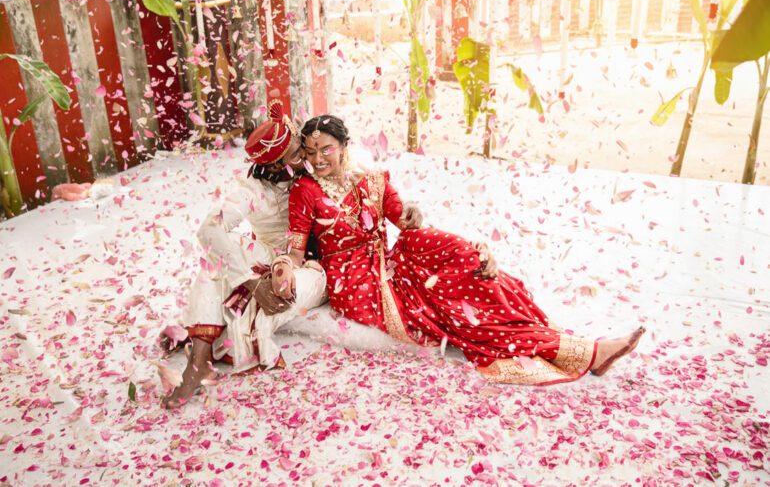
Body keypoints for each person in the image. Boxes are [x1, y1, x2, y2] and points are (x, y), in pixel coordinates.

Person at [284, 115, 645, 386]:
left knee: (452, 256)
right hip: (355, 281)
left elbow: (404, 221)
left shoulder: (370, 178)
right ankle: (580, 351)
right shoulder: (305, 191)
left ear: (344, 146)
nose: (319, 159)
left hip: (386, 259)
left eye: (327, 149)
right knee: (448, 306)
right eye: (312, 152)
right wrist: (283, 268)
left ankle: (491, 276)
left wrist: (413, 215)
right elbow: (296, 249)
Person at [163, 111, 425, 408]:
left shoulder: (321, 168)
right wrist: (249, 281)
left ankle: (218, 333)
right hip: (274, 255)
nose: (310, 155)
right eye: (300, 152)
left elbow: (371, 187)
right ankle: (198, 360)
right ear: (276, 164)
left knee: (280, 287)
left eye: (307, 146)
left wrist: (407, 208)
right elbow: (209, 229)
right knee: (214, 264)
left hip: (314, 268)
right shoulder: (253, 191)